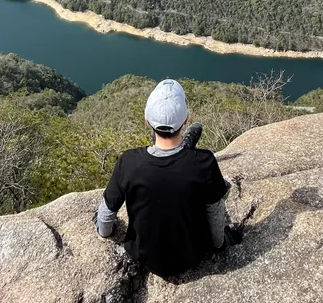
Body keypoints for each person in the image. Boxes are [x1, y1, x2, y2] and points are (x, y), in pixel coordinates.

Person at [95, 79, 232, 278]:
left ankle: (184, 147)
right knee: (204, 184)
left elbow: (107, 213)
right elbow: (215, 212)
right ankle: (185, 147)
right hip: (193, 254)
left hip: (143, 255)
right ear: (186, 119)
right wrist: (221, 243)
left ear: (147, 121)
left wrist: (103, 231)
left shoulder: (129, 162)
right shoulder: (204, 162)